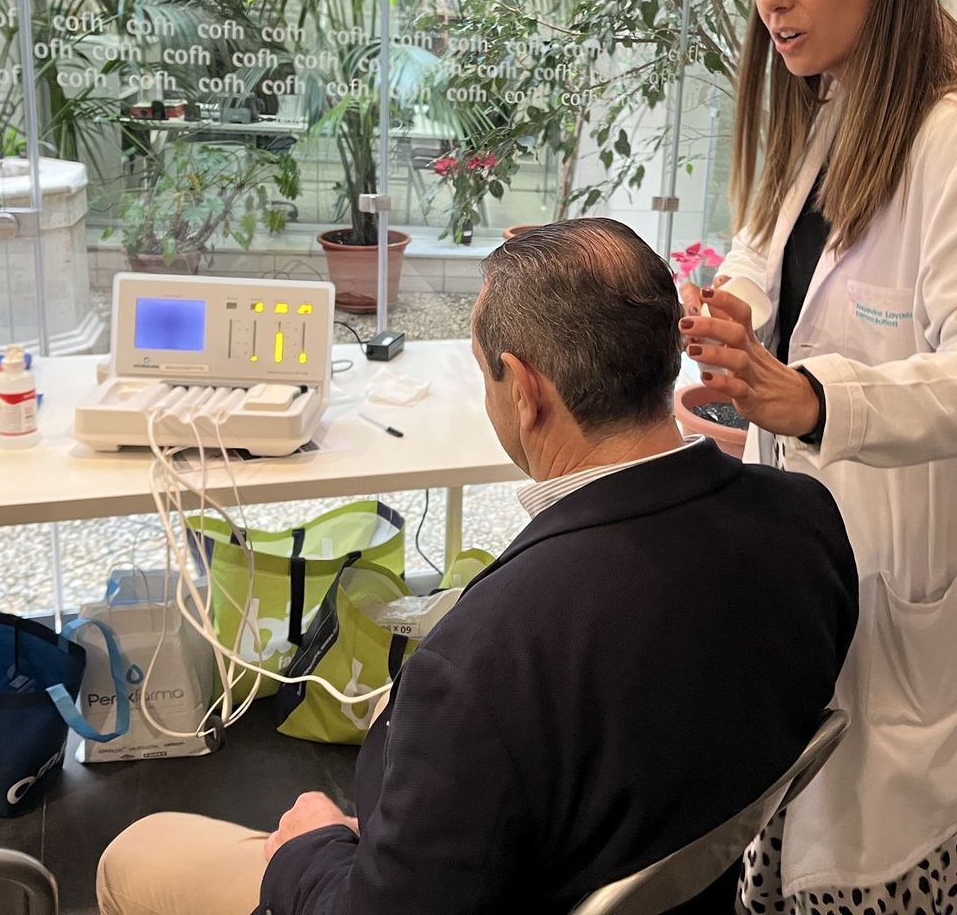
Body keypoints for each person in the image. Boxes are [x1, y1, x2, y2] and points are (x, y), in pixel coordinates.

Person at [96, 218, 859, 915]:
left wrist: (309, 850)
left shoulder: (485, 661)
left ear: (524, 390)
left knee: (138, 853)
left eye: (482, 372)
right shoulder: (807, 524)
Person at [677, 0, 957, 915]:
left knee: (875, 856)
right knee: (788, 818)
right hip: (809, 543)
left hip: (904, 575)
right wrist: (734, 307)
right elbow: (766, 247)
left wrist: (815, 399)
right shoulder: (835, 107)